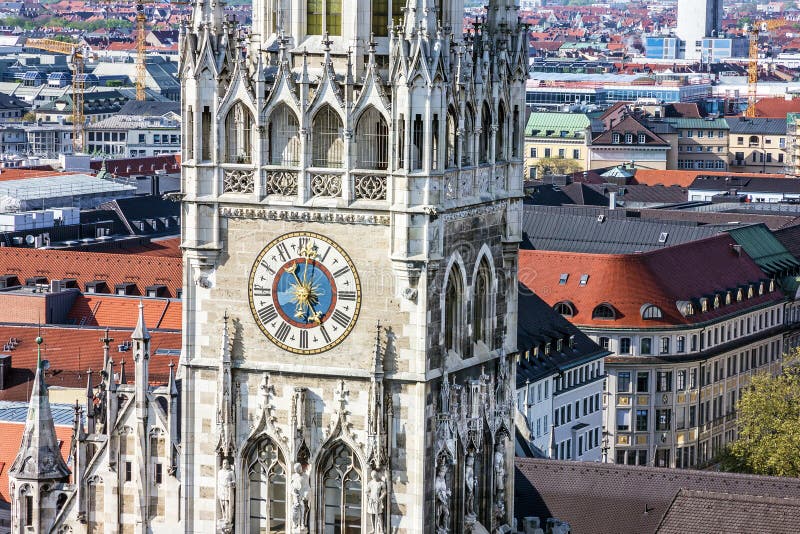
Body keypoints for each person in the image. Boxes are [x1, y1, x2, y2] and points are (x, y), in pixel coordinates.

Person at [290, 463, 310, 530]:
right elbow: (291, 486)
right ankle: (295, 523)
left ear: (300, 468)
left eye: (298, 469)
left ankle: (302, 524)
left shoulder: (305, 476)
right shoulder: (293, 476)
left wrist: (305, 494)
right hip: (295, 495)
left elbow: (307, 487)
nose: (297, 471)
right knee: (295, 510)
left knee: (303, 510)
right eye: (296, 470)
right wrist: (293, 492)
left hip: (302, 495)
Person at [218, 459, 236, 527]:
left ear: (228, 464)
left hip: (228, 490)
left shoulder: (231, 472)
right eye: (224, 463)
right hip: (221, 490)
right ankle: (224, 516)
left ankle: (228, 518)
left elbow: (234, 482)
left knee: (227, 504)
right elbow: (218, 481)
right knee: (222, 504)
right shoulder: (220, 472)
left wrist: (230, 483)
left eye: (226, 463)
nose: (225, 465)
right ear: (222, 464)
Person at [435, 462, 450, 530]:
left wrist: (447, 492)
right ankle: (437, 527)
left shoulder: (443, 480)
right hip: (439, 501)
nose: (444, 473)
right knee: (438, 514)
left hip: (444, 500)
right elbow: (436, 491)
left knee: (447, 513)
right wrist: (441, 499)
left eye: (444, 472)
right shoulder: (437, 480)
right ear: (440, 472)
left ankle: (445, 526)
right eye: (443, 472)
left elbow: (443, 490)